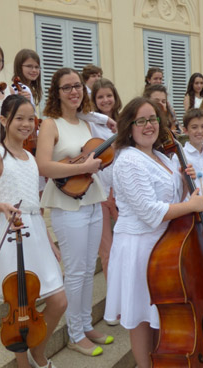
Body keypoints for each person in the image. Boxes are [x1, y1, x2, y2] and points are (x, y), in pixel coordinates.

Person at [104, 96, 203, 368]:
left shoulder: (162, 156)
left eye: (153, 119)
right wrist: (191, 205)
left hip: (163, 247)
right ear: (129, 126)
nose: (149, 125)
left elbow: (172, 196)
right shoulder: (128, 161)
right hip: (139, 246)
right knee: (141, 317)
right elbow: (150, 213)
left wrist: (187, 183)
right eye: (141, 120)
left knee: (160, 314)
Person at [0, 94, 66, 368]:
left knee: (59, 301)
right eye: (19, 119)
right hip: (10, 232)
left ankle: (38, 352)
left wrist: (49, 241)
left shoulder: (31, 156)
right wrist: (0, 206)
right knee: (19, 305)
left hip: (35, 230)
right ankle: (23, 363)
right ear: (4, 120)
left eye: (31, 119)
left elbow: (35, 205)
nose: (26, 124)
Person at [36, 67, 112, 357]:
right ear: (57, 92)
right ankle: (74, 334)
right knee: (75, 271)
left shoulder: (85, 123)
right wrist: (82, 167)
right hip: (67, 205)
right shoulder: (50, 124)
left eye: (77, 86)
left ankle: (85, 326)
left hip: (91, 199)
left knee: (88, 271)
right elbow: (43, 166)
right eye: (66, 87)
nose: (74, 92)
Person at [90, 78, 121, 284]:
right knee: (107, 250)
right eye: (100, 97)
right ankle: (114, 304)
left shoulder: (124, 122)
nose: (105, 100)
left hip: (120, 192)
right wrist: (102, 119)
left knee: (129, 243)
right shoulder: (90, 124)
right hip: (99, 191)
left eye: (109, 95)